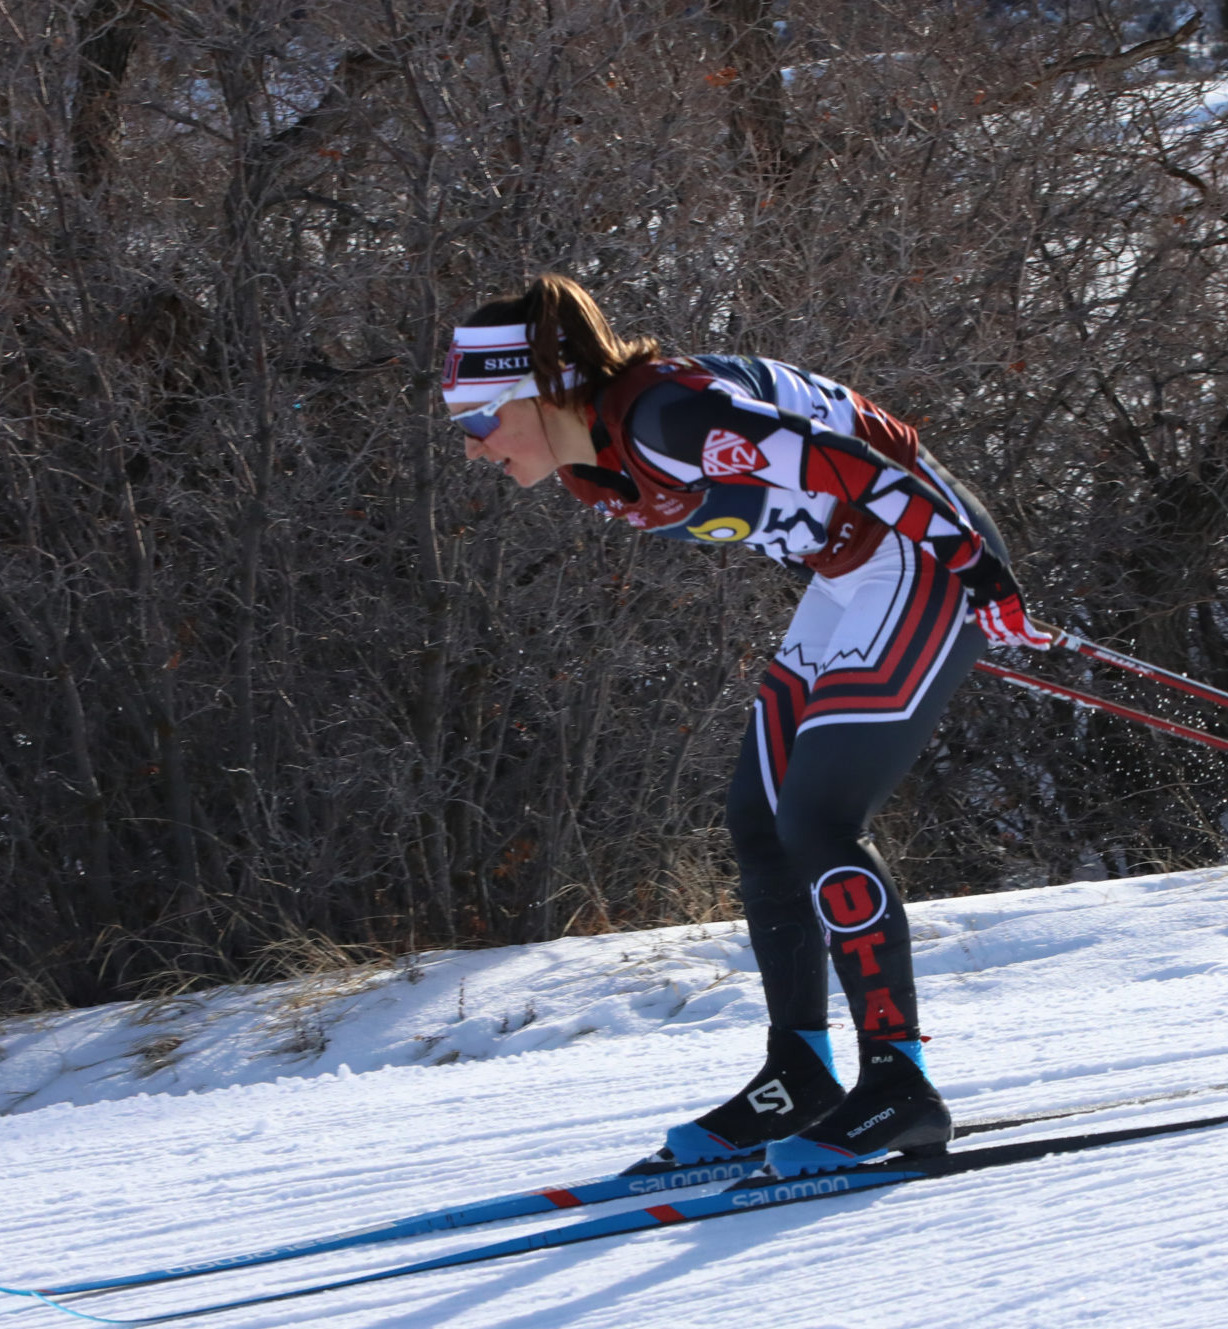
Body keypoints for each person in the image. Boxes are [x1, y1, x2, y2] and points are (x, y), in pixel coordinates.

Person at [447, 274, 1048, 1176]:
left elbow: (864, 470)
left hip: (924, 545)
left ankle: (900, 1085)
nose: (471, 449)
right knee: (759, 822)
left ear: (538, 388)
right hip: (854, 566)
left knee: (819, 817)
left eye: (477, 421)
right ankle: (802, 1071)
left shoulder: (665, 417)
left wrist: (982, 579)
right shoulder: (589, 466)